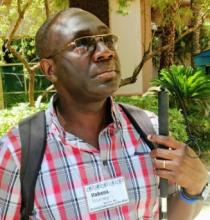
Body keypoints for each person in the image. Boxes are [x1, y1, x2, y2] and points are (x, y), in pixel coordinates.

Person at [0, 8, 208, 220]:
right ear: (50, 69)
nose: (105, 51)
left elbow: (168, 214)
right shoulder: (17, 153)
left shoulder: (150, 132)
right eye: (81, 43)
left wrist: (195, 187)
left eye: (107, 40)